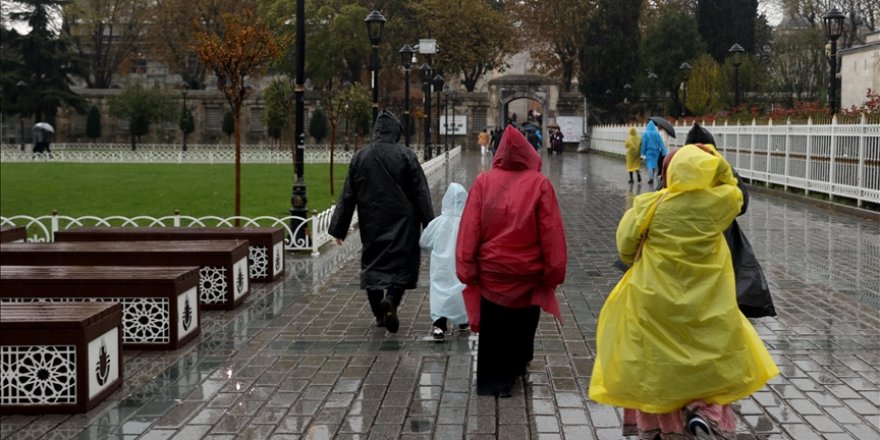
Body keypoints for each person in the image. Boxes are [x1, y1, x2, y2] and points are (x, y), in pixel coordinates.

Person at [589, 142, 779, 439]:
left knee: (656, 363)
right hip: (707, 298)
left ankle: (658, 427)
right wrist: (716, 160)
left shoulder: (650, 205)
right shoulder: (717, 204)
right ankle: (703, 412)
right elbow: (737, 191)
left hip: (652, 298)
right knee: (709, 356)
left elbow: (626, 250)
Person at [456, 125, 567, 397]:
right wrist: (553, 273)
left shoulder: (483, 182)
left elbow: (470, 229)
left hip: (492, 273)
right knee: (523, 324)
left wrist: (466, 268)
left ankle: (495, 380)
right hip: (528, 274)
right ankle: (518, 366)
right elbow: (551, 233)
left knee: (494, 329)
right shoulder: (540, 184)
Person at [329, 109, 435, 333]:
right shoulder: (406, 156)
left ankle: (379, 313)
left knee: (373, 265)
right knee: (403, 264)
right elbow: (421, 193)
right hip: (404, 221)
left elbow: (348, 193)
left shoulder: (361, 156)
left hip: (372, 219)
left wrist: (339, 227)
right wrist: (430, 225)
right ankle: (392, 300)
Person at [420, 182, 469, 342]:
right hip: (461, 265)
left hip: (440, 265)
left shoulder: (438, 222)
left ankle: (439, 325)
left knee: (440, 292)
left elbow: (425, 241)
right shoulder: (468, 223)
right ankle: (462, 320)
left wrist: (433, 251)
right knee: (461, 291)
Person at [639, 120, 666, 186]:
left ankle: (651, 178)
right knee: (654, 164)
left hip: (649, 151)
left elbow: (644, 143)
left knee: (649, 164)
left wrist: (642, 152)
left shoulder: (646, 133)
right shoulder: (657, 134)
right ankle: (652, 176)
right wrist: (664, 151)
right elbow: (661, 143)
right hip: (656, 151)